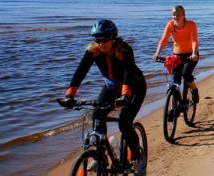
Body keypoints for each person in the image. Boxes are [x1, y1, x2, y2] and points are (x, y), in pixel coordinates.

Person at [58, 19, 147, 175]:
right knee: (97, 115)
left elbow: (128, 72)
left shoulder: (124, 50)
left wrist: (125, 95)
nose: (101, 43)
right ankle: (102, 156)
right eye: (97, 39)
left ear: (113, 37)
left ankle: (139, 158)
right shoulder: (93, 51)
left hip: (134, 87)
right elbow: (80, 72)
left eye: (105, 39)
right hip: (112, 87)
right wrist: (70, 95)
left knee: (124, 123)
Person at [153, 5, 200, 103]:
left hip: (191, 54)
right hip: (177, 55)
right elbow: (163, 40)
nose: (176, 17)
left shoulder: (191, 24)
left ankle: (194, 89)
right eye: (174, 15)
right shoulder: (170, 25)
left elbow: (194, 41)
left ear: (184, 15)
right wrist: (157, 53)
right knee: (175, 80)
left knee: (186, 74)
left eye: (178, 15)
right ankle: (175, 105)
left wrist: (194, 53)